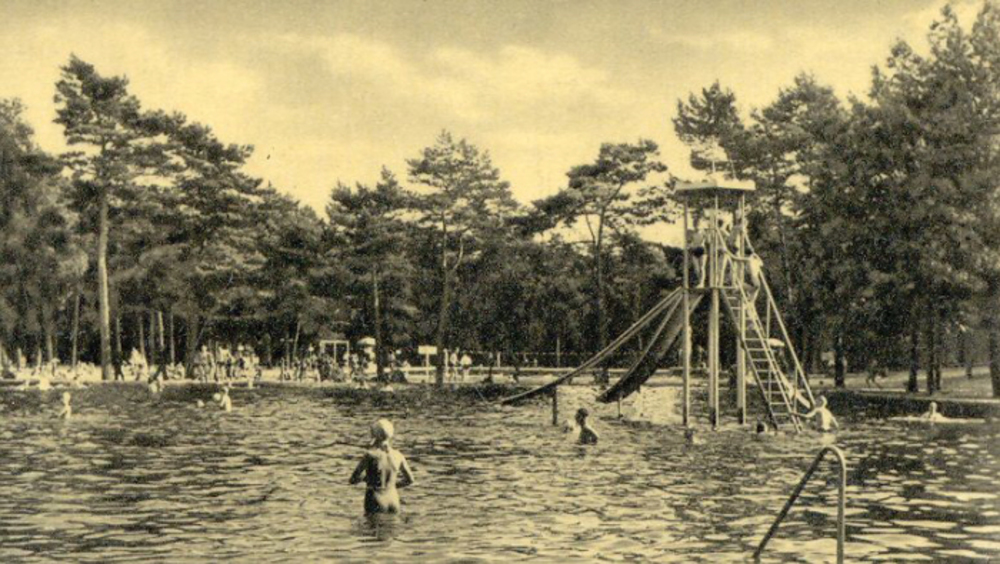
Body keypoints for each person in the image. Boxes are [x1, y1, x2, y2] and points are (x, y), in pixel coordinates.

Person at [349, 419, 415, 514]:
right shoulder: (398, 455)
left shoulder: (370, 455)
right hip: (393, 499)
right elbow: (410, 480)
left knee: (373, 523)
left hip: (376, 499)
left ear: (374, 435)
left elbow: (353, 480)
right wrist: (392, 486)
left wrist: (365, 479)